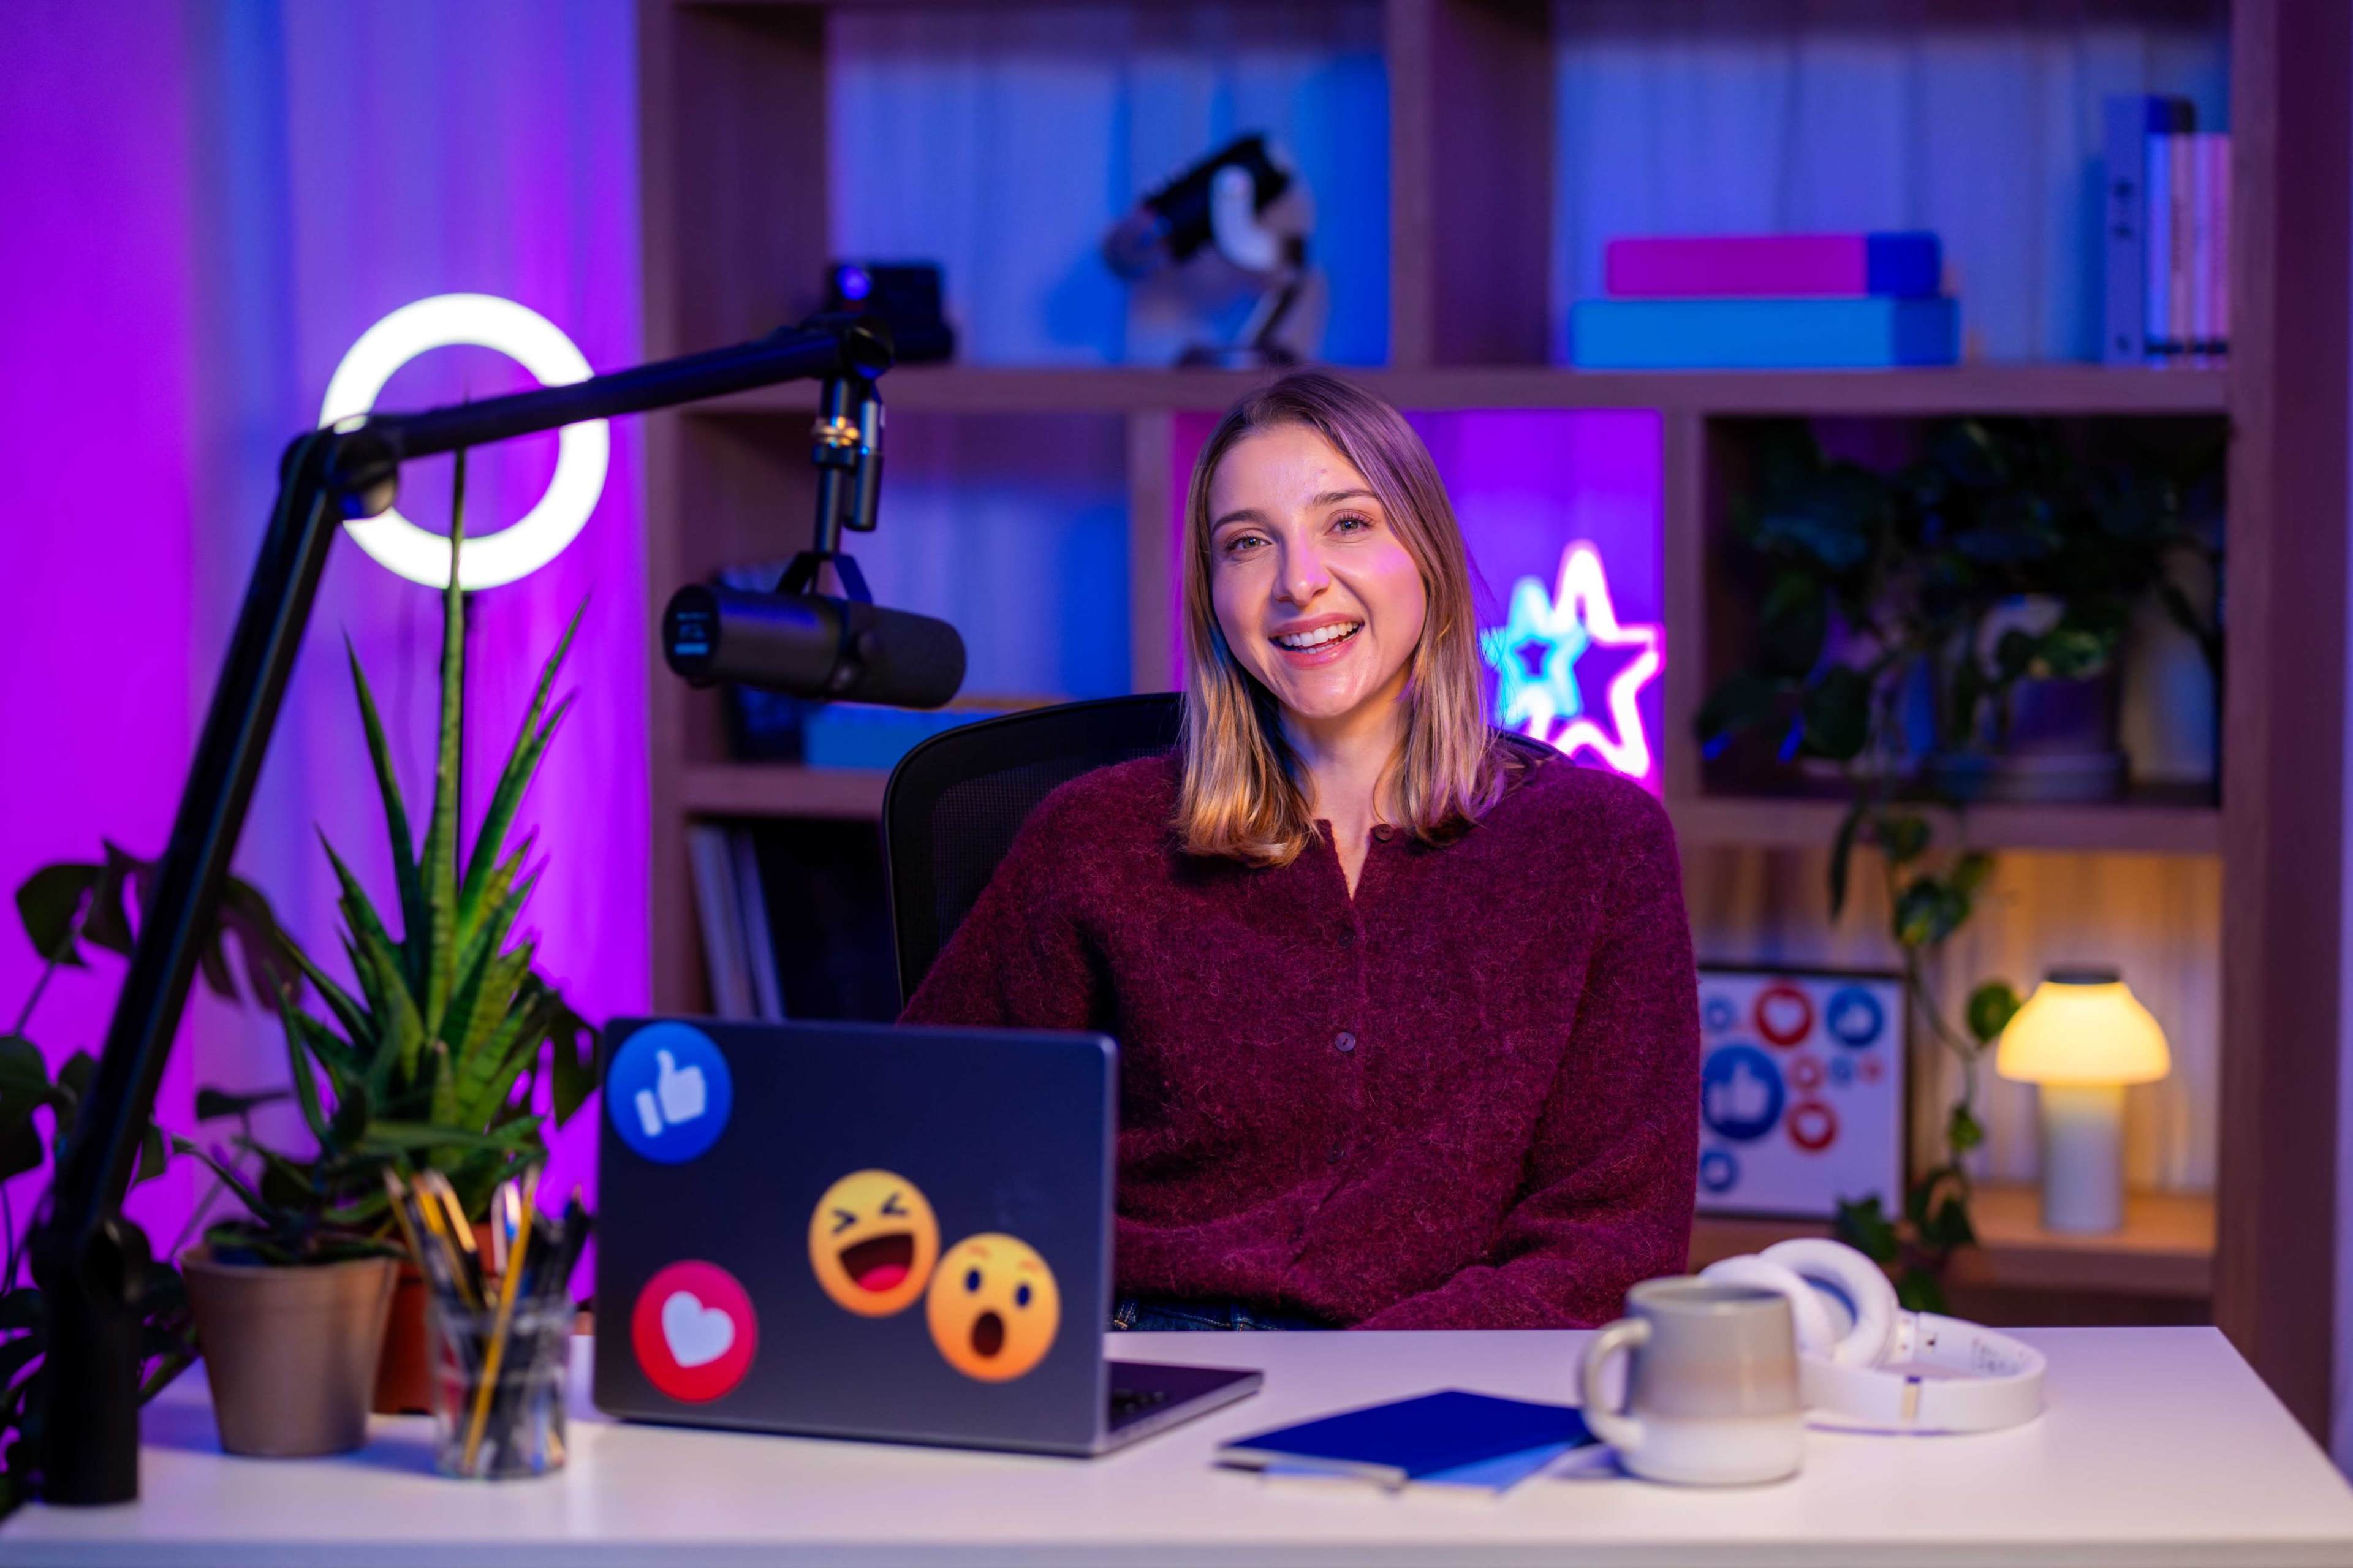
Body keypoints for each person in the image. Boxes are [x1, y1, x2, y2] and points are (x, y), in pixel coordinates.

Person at [902, 371, 1698, 1330]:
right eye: (1248, 544)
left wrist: (1358, 1384)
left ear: (1429, 556)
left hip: (1439, 1391)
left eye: (1348, 524)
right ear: (1215, 598)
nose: (1299, 581)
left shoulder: (1599, 845)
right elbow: (926, 1136)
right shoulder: (1093, 837)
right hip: (1140, 1367)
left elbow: (1612, 1243)